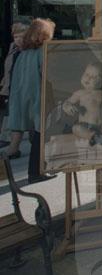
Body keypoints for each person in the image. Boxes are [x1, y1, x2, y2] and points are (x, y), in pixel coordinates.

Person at [6, 18, 56, 184]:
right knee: (41, 134)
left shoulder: (23, 53)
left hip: (23, 97)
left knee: (36, 133)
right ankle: (36, 172)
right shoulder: (42, 52)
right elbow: (49, 76)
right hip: (38, 97)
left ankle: (36, 170)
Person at [62, 62, 102, 146]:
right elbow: (67, 102)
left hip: (101, 127)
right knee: (76, 128)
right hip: (85, 125)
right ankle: (92, 136)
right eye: (87, 74)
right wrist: (68, 106)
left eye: (94, 77)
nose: (88, 78)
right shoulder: (80, 93)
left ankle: (99, 136)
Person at [0, 19, 30, 154]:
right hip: (12, 87)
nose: (18, 39)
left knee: (23, 119)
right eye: (16, 36)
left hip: (25, 89)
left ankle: (14, 147)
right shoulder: (14, 49)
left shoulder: (31, 51)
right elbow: (8, 68)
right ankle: (12, 147)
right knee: (14, 118)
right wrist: (4, 86)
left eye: (21, 36)